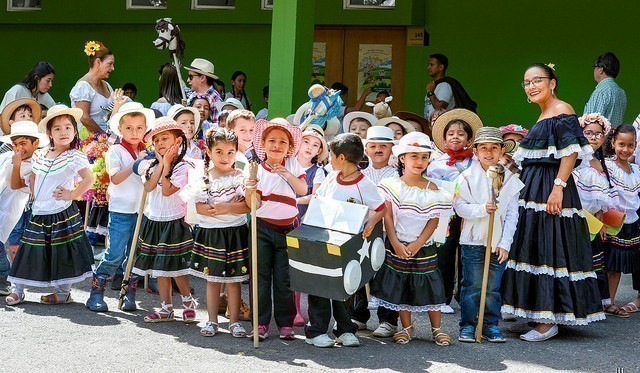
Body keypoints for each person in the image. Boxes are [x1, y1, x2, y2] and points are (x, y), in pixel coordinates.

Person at [501, 63, 605, 342]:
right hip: (533, 188)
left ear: (552, 83)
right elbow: (535, 160)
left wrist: (558, 188)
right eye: (527, 82)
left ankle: (548, 322)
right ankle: (536, 314)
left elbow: (570, 153)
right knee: (533, 247)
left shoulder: (563, 110)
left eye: (537, 80)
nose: (532, 86)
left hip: (551, 188)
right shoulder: (543, 115)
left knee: (549, 247)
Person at [5, 105, 95, 306]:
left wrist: (72, 194)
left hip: (62, 211)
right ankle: (18, 289)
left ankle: (63, 292)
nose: (63, 132)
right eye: (57, 128)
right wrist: (35, 198)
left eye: (68, 127)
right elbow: (32, 181)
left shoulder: (74, 156)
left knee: (61, 252)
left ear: (74, 130)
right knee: (28, 250)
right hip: (39, 211)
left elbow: (89, 178)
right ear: (50, 133)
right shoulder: (41, 154)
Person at [371, 132, 452, 346]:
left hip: (423, 245)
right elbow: (387, 215)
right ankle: (406, 327)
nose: (419, 162)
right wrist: (396, 242)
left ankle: (437, 328)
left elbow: (433, 220)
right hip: (398, 244)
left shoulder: (432, 188)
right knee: (402, 285)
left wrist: (417, 243)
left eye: (424, 157)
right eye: (414, 156)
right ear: (402, 158)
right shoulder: (391, 185)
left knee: (430, 285)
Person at [305, 133, 386, 348]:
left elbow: (381, 207)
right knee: (320, 283)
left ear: (341, 157)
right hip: (323, 239)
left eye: (331, 154)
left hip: (348, 244)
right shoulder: (331, 177)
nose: (328, 158)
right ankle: (316, 330)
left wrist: (370, 224)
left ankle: (344, 329)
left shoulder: (364, 184)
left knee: (344, 287)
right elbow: (317, 202)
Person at [453, 127, 523, 343]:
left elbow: (512, 214)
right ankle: (468, 325)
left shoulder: (510, 179)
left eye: (494, 147)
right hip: (472, 240)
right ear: (475, 150)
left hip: (498, 241)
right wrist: (482, 208)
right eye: (483, 148)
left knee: (493, 287)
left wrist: (505, 243)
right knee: (472, 285)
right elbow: (459, 207)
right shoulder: (465, 178)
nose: (489, 152)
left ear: (502, 150)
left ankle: (490, 325)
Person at [180, 128, 250, 337]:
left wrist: (225, 207)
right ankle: (211, 321)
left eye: (230, 152)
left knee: (234, 280)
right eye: (219, 151)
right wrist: (228, 204)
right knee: (213, 280)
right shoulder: (202, 178)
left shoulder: (240, 177)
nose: (225, 157)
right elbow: (201, 208)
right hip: (212, 233)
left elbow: (246, 206)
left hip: (235, 231)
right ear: (209, 152)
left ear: (236, 152)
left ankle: (234, 321)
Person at [86, 102, 154, 312]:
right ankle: (96, 292)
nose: (134, 132)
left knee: (134, 253)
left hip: (142, 210)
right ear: (120, 129)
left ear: (145, 129)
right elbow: (115, 178)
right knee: (114, 252)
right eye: (129, 128)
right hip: (121, 210)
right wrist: (134, 166)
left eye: (139, 128)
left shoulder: (148, 151)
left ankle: (128, 293)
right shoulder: (115, 150)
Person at [244, 118, 307, 340]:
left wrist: (286, 173)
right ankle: (260, 323)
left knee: (285, 278)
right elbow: (253, 203)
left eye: (282, 141)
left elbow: (302, 188)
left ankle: (285, 323)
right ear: (263, 143)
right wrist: (250, 190)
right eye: (272, 140)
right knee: (260, 278)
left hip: (288, 228)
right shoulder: (255, 168)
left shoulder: (293, 165)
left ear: (290, 147)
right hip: (261, 227)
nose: (277, 145)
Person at [132, 117, 196, 323]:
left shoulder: (184, 167)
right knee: (159, 268)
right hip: (154, 220)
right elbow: (149, 187)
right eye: (156, 140)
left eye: (165, 138)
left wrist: (167, 164)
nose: (160, 143)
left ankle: (188, 302)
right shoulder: (151, 165)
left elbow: (168, 191)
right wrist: (161, 164)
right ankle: (166, 307)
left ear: (178, 141)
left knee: (176, 268)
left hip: (174, 221)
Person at [427, 109, 483, 314]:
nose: (455, 137)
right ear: (444, 138)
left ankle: (465, 297)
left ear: (469, 138)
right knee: (444, 255)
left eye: (461, 133)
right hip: (446, 216)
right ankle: (442, 298)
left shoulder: (476, 162)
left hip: (470, 213)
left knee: (468, 255)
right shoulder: (437, 164)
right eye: (451, 134)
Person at [572, 113, 619, 315]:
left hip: (592, 223)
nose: (594, 137)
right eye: (588, 133)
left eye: (599, 134)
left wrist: (600, 223)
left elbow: (602, 201)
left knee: (594, 262)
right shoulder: (575, 161)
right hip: (574, 218)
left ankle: (591, 304)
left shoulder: (602, 165)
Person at [0, 120, 49, 295]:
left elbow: (15, 185)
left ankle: (3, 279)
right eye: (15, 144)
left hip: (10, 207)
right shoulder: (6, 157)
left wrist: (17, 164)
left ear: (35, 143)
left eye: (23, 144)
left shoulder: (37, 165)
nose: (19, 148)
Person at [603, 124, 640, 317]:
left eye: (630, 145)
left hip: (634, 223)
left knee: (632, 263)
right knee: (613, 265)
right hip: (614, 223)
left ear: (635, 146)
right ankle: (609, 301)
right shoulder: (607, 167)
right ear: (613, 143)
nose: (625, 149)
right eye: (621, 144)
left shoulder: (636, 170)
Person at [70, 41, 115, 134]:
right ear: (98, 62)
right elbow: (84, 118)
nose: (112, 68)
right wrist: (103, 136)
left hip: (109, 136)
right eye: (110, 64)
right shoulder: (82, 87)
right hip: (88, 140)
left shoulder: (107, 85)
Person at [0, 61, 55, 126]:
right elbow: (2, 119)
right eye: (48, 80)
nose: (50, 85)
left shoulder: (46, 97)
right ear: (37, 77)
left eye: (51, 81)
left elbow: (54, 111)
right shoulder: (16, 91)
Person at [424, 54, 477, 120]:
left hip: (441, 124)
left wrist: (430, 92)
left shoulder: (445, 85)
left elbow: (440, 107)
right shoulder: (436, 85)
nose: (428, 67)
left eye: (432, 65)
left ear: (441, 67)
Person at [584, 52, 627, 126]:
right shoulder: (622, 92)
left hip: (599, 136)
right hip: (614, 137)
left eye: (595, 67)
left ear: (601, 69)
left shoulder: (601, 91)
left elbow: (592, 123)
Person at [185, 58, 223, 126]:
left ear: (202, 78)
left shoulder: (215, 99)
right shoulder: (192, 95)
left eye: (190, 77)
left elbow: (217, 128)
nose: (188, 80)